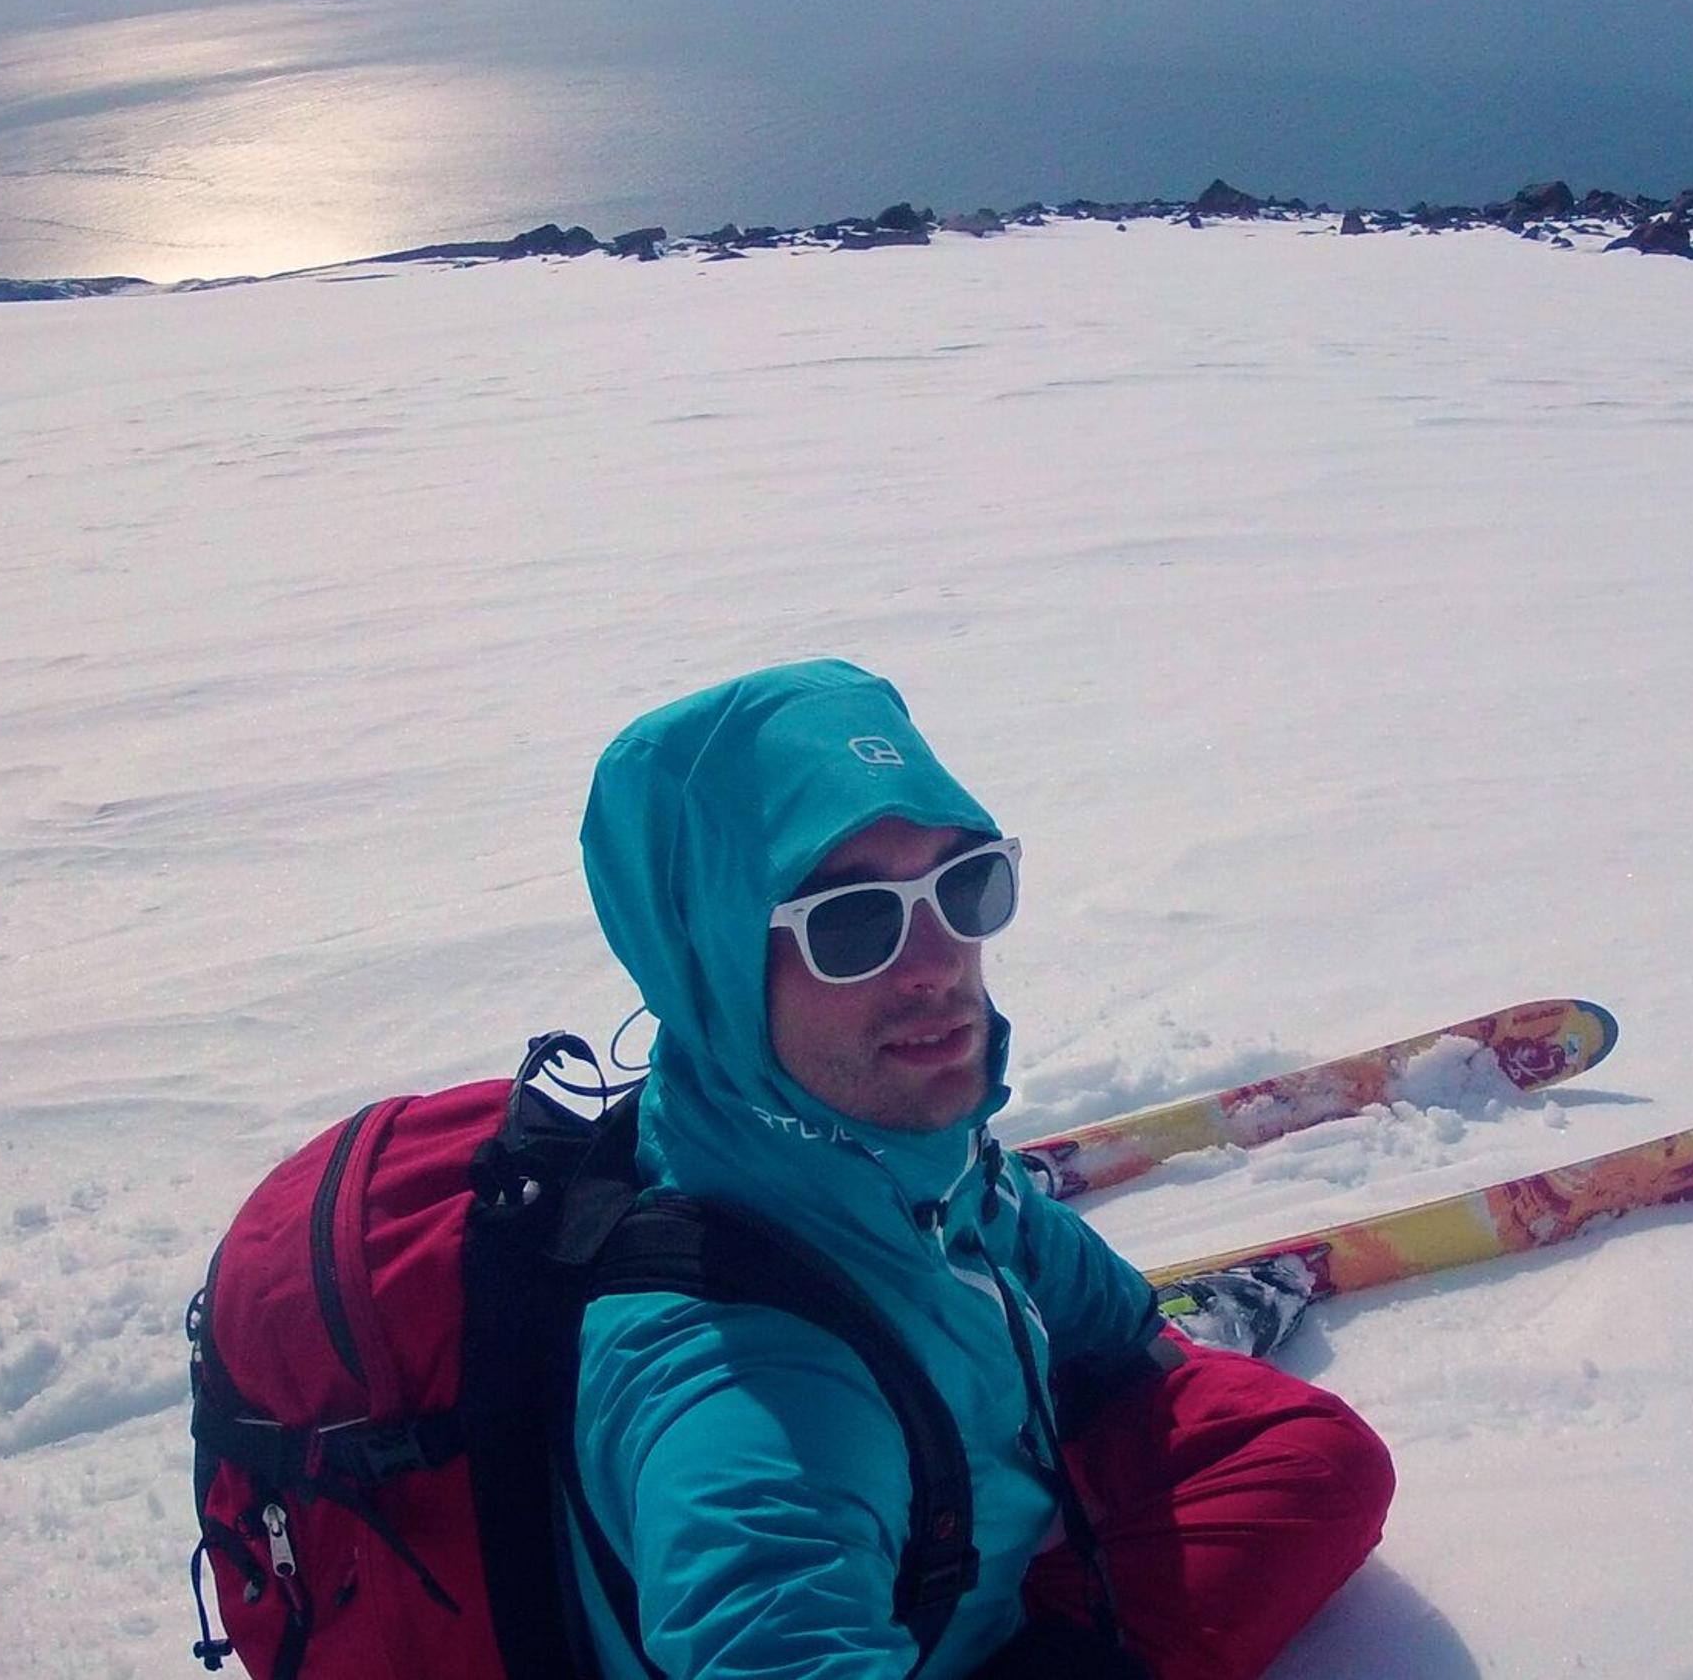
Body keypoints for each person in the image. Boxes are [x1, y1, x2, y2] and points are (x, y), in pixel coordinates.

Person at [572, 659, 1395, 1680]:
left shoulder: (859, 1146)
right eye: (851, 923)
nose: (935, 961)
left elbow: (1031, 1251)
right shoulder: (751, 1397)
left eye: (966, 886)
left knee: (1315, 1458)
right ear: (716, 962)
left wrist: (1133, 1359)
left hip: (962, 1533)